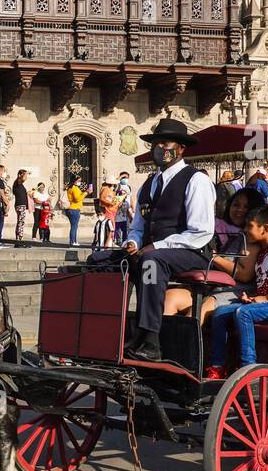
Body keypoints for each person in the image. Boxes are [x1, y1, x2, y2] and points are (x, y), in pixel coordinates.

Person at [87, 118, 217, 363]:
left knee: (150, 264)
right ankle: (113, 329)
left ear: (180, 148)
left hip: (191, 251)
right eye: (155, 143)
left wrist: (155, 247)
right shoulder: (149, 184)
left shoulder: (196, 180)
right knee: (99, 260)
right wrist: (133, 242)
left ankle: (151, 340)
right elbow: (138, 225)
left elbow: (201, 231)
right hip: (152, 250)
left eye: (165, 143)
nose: (159, 148)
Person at [204, 205, 268, 380]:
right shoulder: (262, 250)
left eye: (250, 226)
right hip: (266, 302)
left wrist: (267, 297)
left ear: (265, 229)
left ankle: (248, 366)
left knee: (243, 313)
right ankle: (218, 366)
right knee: (220, 313)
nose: (245, 230)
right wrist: (252, 298)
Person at [165, 186, 265, 325]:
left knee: (199, 309)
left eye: (246, 207)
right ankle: (160, 344)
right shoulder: (223, 233)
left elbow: (244, 275)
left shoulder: (251, 241)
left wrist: (214, 257)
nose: (239, 210)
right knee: (171, 297)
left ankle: (183, 345)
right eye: (236, 204)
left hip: (235, 292)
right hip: (210, 287)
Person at [61, 173, 85, 245]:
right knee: (74, 226)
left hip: (70, 209)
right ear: (75, 180)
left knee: (73, 226)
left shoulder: (69, 187)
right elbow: (77, 199)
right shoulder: (75, 188)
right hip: (74, 208)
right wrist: (85, 193)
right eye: (79, 180)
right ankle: (73, 241)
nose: (80, 182)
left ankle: (74, 241)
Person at [114, 171, 133, 247]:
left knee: (126, 229)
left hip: (126, 208)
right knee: (117, 229)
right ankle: (118, 242)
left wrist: (132, 208)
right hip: (117, 211)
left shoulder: (128, 187)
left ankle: (124, 242)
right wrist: (120, 177)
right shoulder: (117, 186)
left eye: (127, 178)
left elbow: (131, 197)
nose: (126, 179)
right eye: (124, 178)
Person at [12, 168, 31, 241]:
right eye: (24, 175)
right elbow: (22, 179)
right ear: (19, 175)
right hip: (20, 205)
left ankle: (19, 239)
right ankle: (19, 240)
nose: (26, 177)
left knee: (21, 222)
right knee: (20, 222)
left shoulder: (20, 184)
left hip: (21, 205)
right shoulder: (18, 181)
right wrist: (26, 173)